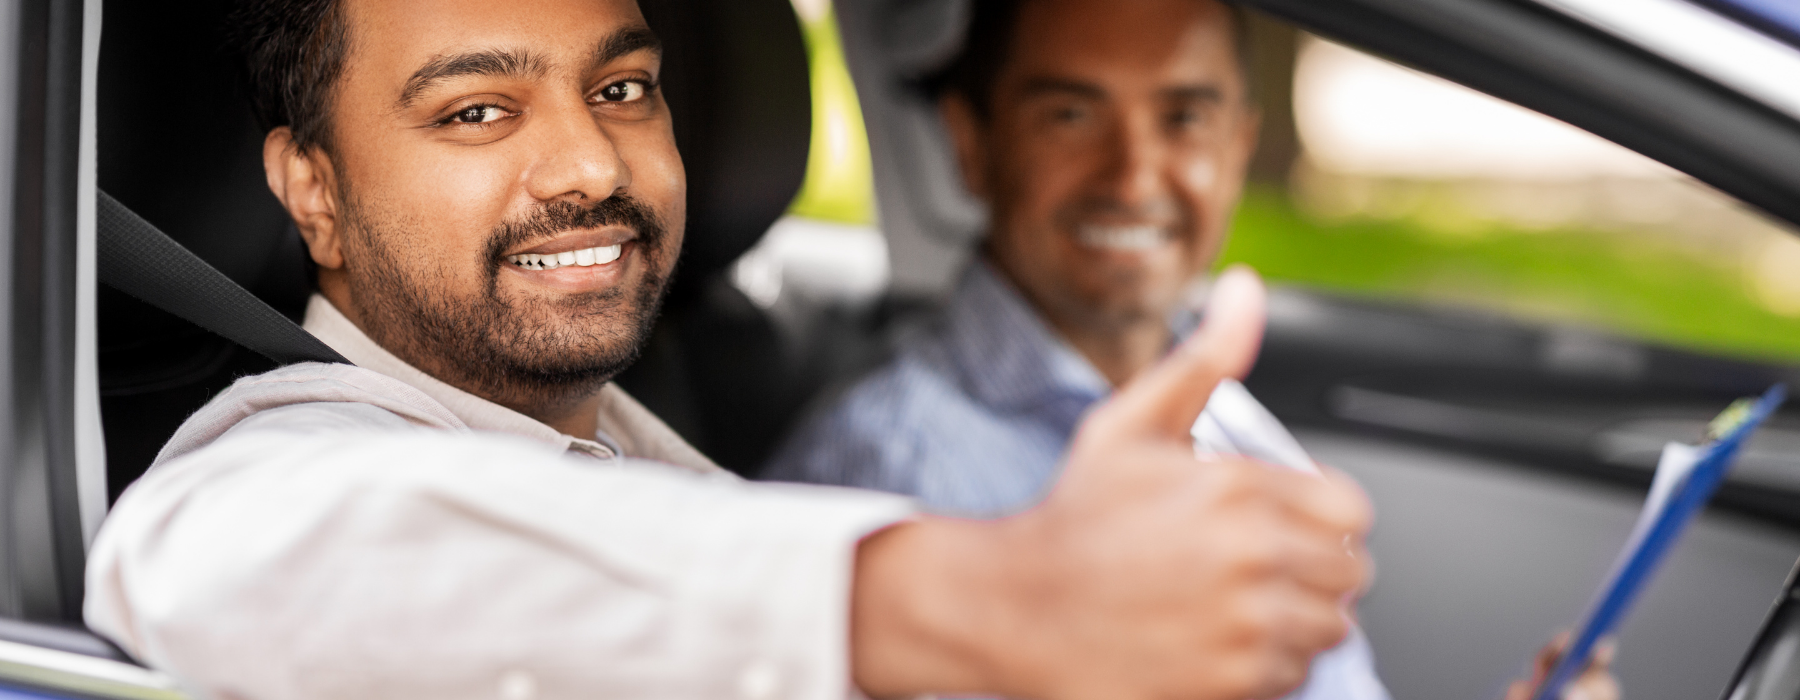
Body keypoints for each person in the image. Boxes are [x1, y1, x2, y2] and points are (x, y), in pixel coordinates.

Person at [83, 0, 1378, 698]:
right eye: (477, 111)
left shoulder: (657, 469)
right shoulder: (270, 478)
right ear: (312, 191)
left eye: (623, 89)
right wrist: (982, 597)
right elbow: (279, 550)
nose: (589, 161)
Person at [761, 1, 1618, 699]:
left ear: (1239, 145)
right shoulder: (873, 478)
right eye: (1071, 114)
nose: (1134, 177)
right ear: (971, 143)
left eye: (1182, 117)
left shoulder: (1225, 417)